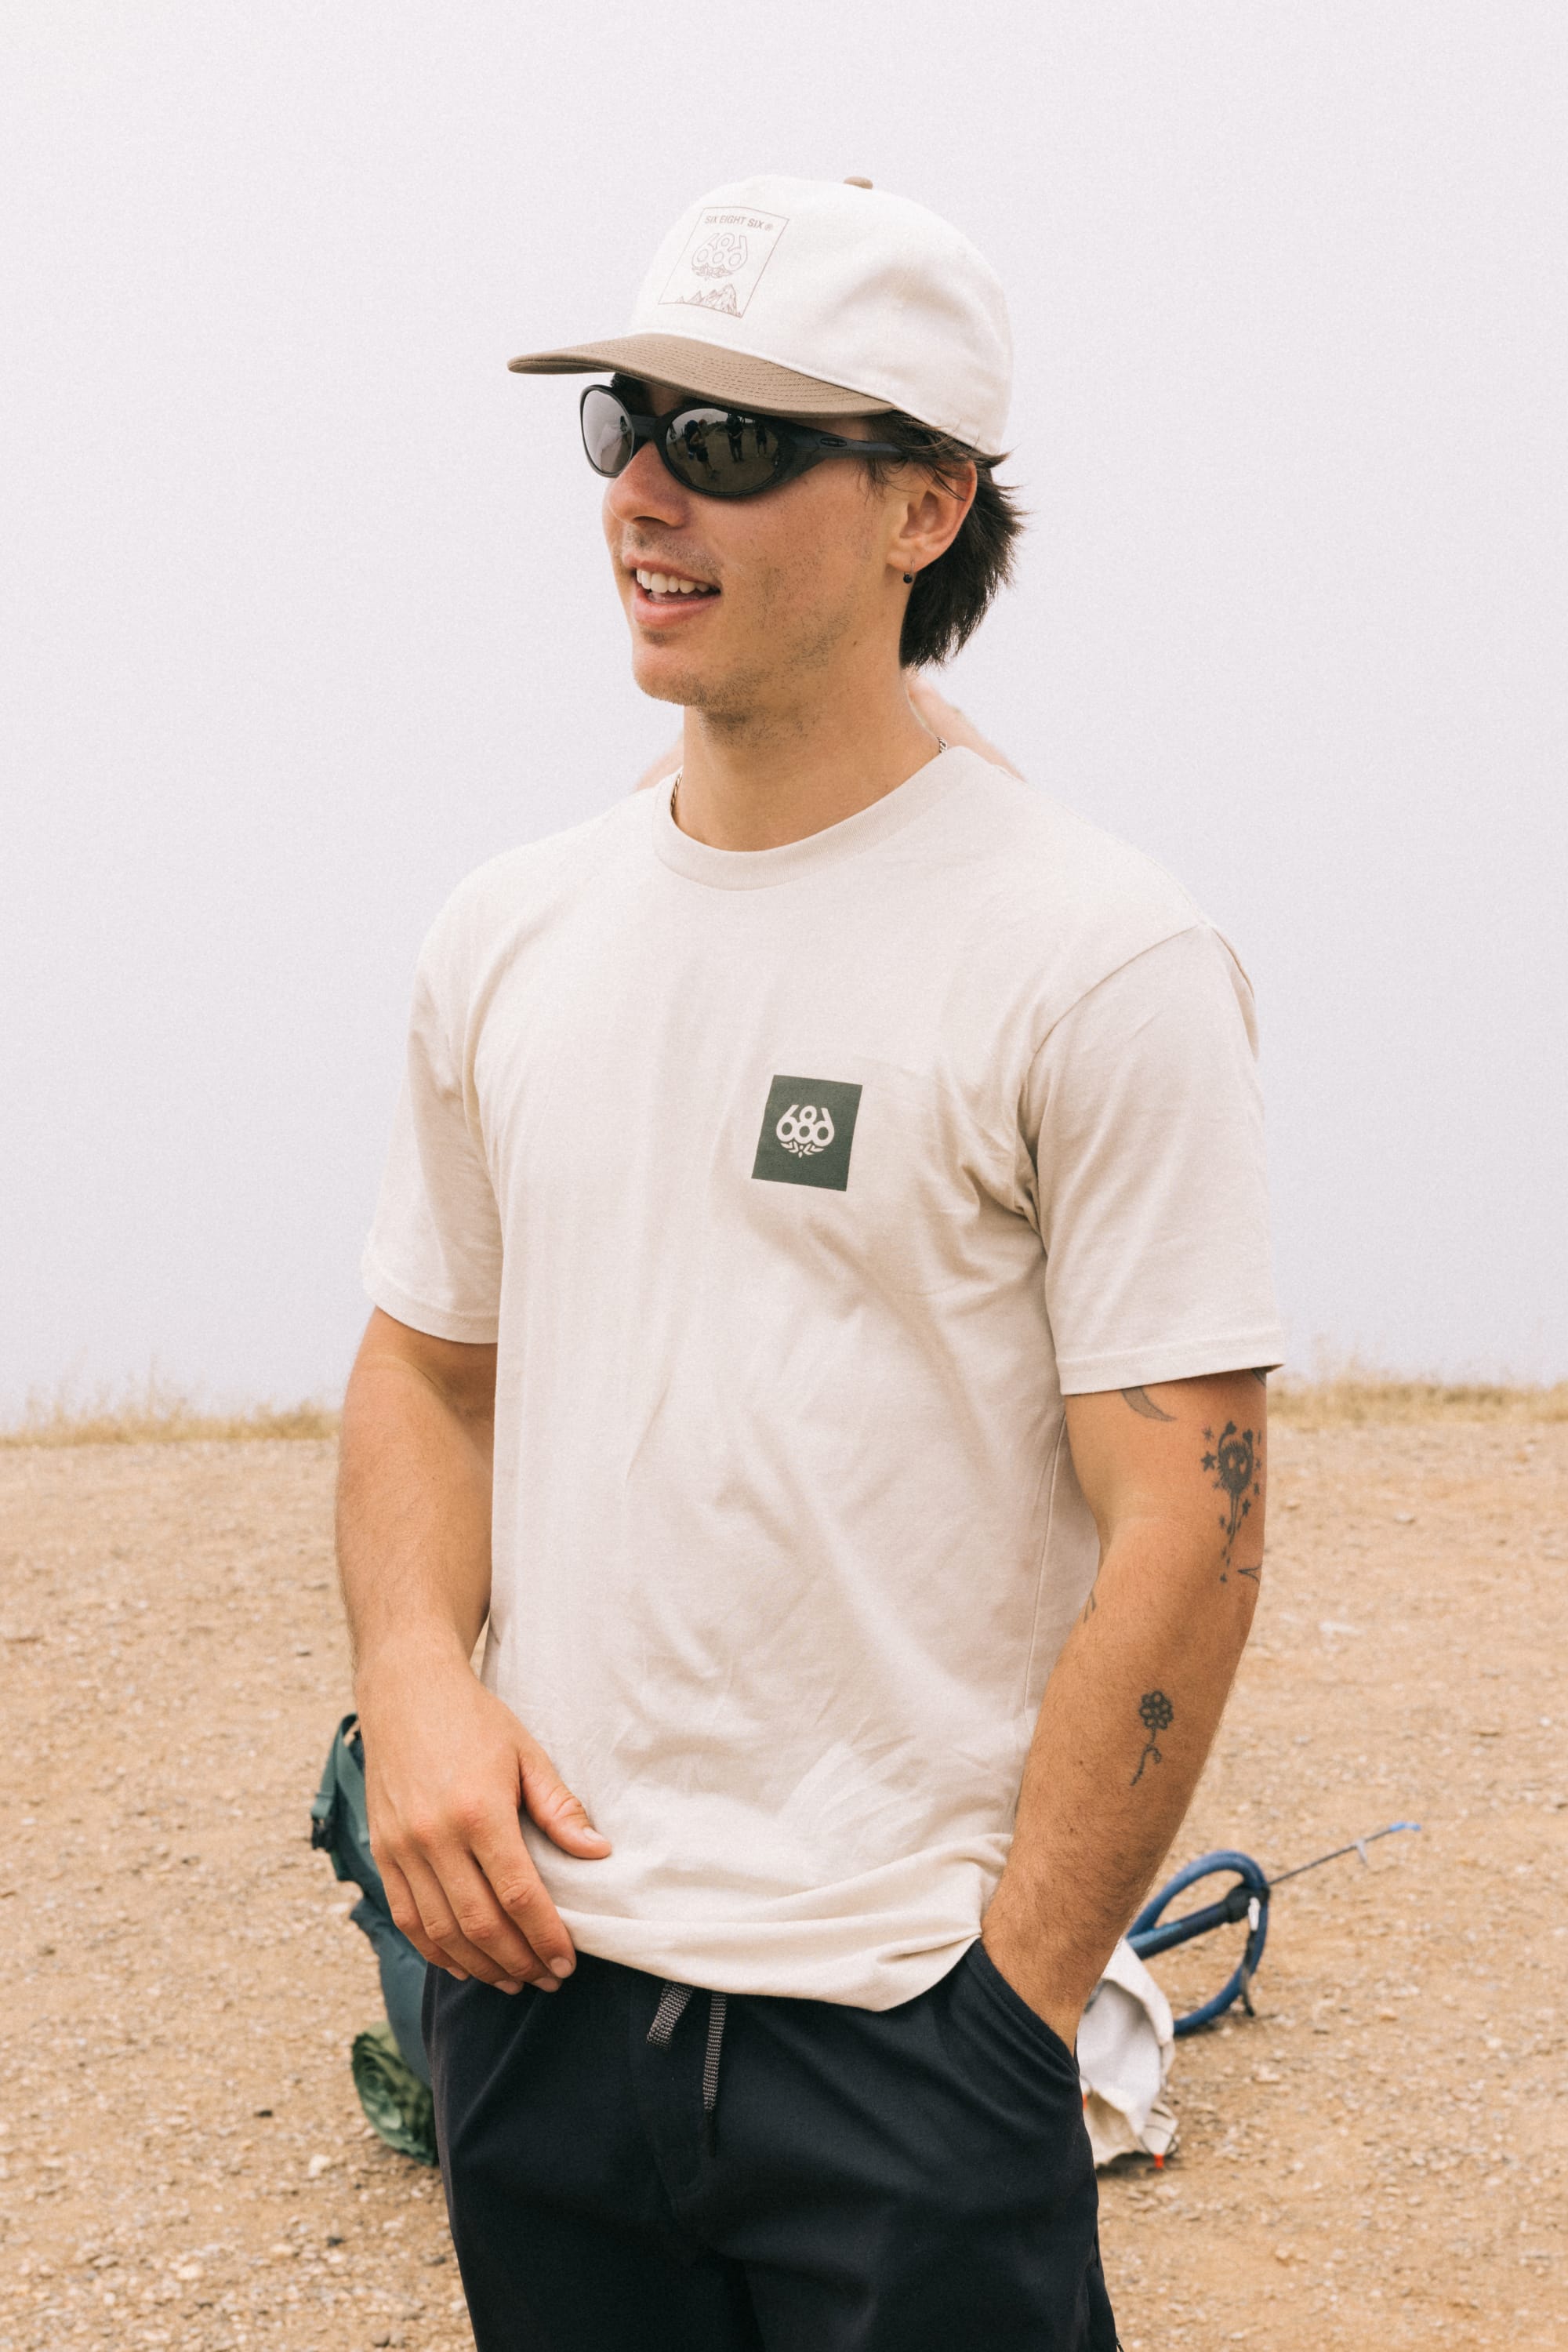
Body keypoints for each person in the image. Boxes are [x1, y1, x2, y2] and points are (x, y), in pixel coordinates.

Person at [338, 173, 1285, 2351]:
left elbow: (1192, 1517)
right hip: (542, 2004)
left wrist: (1011, 2014)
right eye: (627, 424)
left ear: (925, 507)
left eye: (737, 441)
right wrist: (414, 1685)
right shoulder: (510, 934)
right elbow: (429, 1371)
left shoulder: (1098, 959)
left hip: (903, 2035)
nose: (649, 493)